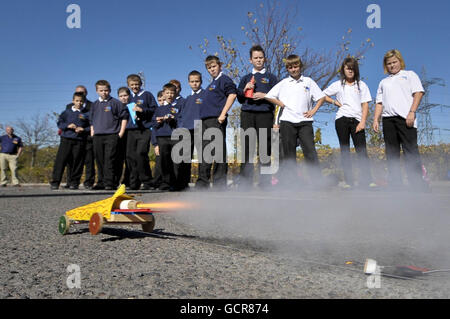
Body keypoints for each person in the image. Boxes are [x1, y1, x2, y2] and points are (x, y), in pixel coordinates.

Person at [262, 54, 326, 188]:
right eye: (290, 67)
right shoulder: (284, 83)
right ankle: (290, 184)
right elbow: (268, 96)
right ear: (287, 69)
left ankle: (317, 182)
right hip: (287, 122)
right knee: (288, 154)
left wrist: (313, 111)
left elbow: (321, 97)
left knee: (310, 152)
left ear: (300, 66)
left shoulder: (308, 81)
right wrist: (281, 103)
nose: (293, 69)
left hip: (305, 122)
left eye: (295, 66)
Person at [373, 49, 428, 191]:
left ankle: (417, 185)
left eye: (394, 62)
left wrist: (412, 112)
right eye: (389, 63)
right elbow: (379, 103)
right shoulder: (383, 82)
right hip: (388, 120)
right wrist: (375, 120)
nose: (392, 65)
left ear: (400, 61)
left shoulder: (409, 75)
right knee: (391, 153)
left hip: (406, 118)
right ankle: (396, 185)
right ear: (386, 65)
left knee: (410, 152)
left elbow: (418, 93)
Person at [323, 57, 376, 189]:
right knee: (344, 150)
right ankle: (348, 181)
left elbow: (365, 105)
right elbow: (322, 95)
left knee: (361, 150)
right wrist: (334, 102)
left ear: (355, 70)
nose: (350, 71)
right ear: (343, 70)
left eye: (352, 68)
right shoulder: (338, 85)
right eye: (348, 68)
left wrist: (363, 122)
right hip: (341, 119)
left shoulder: (361, 85)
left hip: (357, 121)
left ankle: (367, 180)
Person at [237, 45, 278, 189]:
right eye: (256, 58)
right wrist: (244, 89)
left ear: (264, 59)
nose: (259, 60)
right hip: (247, 114)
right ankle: (245, 182)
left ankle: (265, 183)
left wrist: (265, 96)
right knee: (247, 148)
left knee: (264, 149)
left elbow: (278, 97)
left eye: (261, 57)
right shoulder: (245, 78)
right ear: (250, 60)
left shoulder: (272, 78)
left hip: (265, 114)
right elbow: (240, 99)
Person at [196, 55, 237, 190]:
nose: (212, 69)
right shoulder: (211, 84)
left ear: (220, 65)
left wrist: (223, 113)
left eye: (214, 66)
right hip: (205, 121)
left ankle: (219, 183)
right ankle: (203, 182)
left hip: (216, 119)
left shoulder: (224, 80)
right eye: (209, 68)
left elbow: (232, 94)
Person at [90, 80, 128, 190]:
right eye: (101, 90)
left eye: (106, 90)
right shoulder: (94, 105)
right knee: (99, 159)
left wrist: (120, 133)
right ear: (97, 91)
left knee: (110, 159)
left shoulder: (116, 103)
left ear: (110, 90)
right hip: (98, 136)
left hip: (112, 135)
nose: (104, 92)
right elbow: (91, 120)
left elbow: (124, 118)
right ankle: (100, 182)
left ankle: (109, 182)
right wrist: (92, 132)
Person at [50, 92, 90, 190]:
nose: (79, 103)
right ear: (73, 101)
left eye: (81, 101)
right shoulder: (66, 112)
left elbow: (91, 126)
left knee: (77, 162)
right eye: (77, 101)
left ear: (84, 102)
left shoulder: (86, 113)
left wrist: (83, 129)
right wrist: (67, 126)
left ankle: (74, 182)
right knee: (61, 161)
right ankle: (55, 182)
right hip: (66, 139)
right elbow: (60, 123)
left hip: (79, 140)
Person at [126, 74, 157, 190]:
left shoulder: (147, 95)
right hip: (132, 130)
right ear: (128, 85)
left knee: (141, 154)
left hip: (144, 130)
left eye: (136, 84)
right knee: (131, 156)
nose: (134, 87)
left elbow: (154, 109)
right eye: (132, 85)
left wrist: (142, 110)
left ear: (141, 84)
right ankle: (134, 182)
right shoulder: (129, 97)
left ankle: (147, 181)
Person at [175, 70, 204, 190]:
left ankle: (202, 182)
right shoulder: (187, 99)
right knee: (185, 157)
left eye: (197, 81)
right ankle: (183, 183)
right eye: (192, 82)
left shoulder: (205, 95)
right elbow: (181, 116)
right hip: (187, 130)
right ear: (188, 83)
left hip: (200, 128)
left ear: (201, 82)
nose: (195, 84)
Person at [65, 85, 95, 189]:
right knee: (73, 160)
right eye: (78, 92)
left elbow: (93, 121)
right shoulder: (69, 106)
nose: (80, 94)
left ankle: (89, 182)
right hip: (74, 137)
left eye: (82, 92)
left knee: (89, 160)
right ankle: (71, 182)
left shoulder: (92, 105)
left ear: (86, 93)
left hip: (87, 137)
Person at [151, 83, 180, 191]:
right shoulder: (159, 109)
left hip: (175, 137)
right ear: (163, 94)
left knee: (176, 162)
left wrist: (173, 119)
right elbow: (153, 125)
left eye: (172, 92)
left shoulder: (179, 106)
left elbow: (182, 120)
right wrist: (158, 121)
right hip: (162, 137)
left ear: (175, 93)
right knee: (164, 162)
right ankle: (165, 182)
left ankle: (176, 183)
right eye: (167, 93)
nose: (170, 95)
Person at [117, 87, 132, 187]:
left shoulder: (132, 106)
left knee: (129, 158)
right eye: (121, 96)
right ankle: (116, 179)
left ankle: (128, 180)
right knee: (118, 158)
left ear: (129, 96)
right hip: (119, 135)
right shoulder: (117, 107)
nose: (123, 98)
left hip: (130, 134)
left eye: (125, 95)